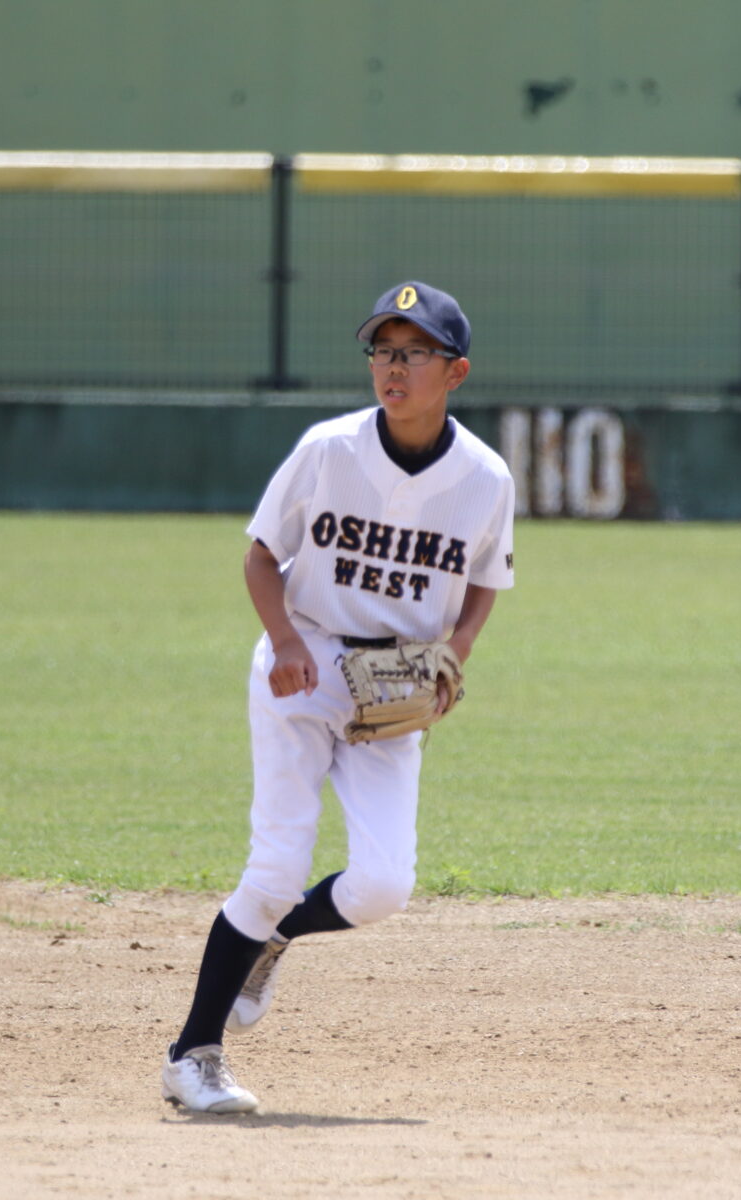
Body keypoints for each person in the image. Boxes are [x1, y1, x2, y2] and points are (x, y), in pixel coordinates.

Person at [160, 281, 517, 1114]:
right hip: (307, 661)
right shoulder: (328, 449)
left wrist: (453, 658)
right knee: (277, 863)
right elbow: (259, 555)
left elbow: (486, 581)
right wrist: (283, 641)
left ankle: (275, 938)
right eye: (383, 351)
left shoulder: (484, 478)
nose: (393, 368)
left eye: (414, 352)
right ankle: (192, 1055)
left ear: (454, 372)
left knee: (384, 887)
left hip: (392, 688)